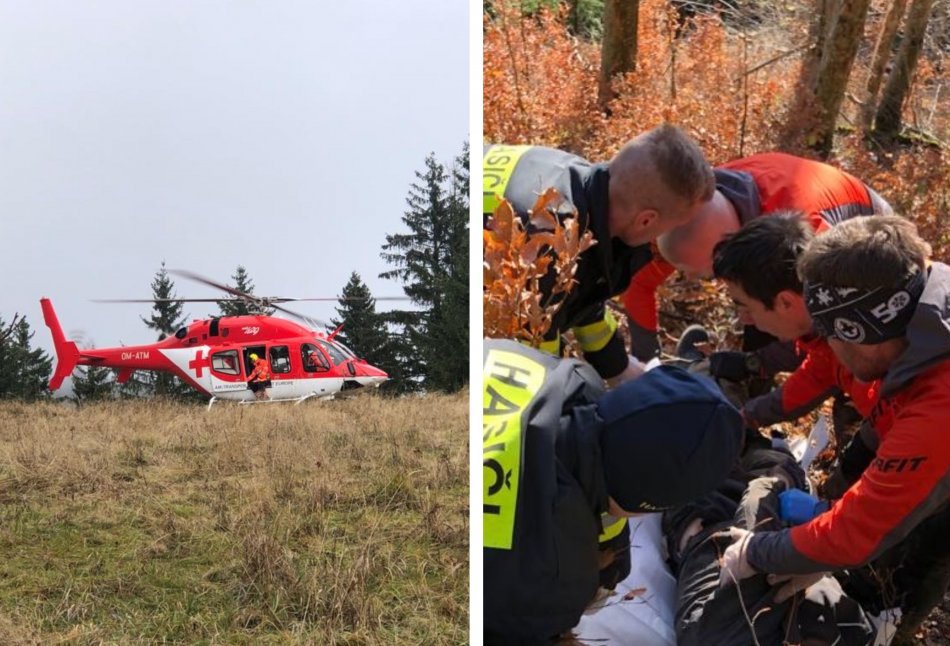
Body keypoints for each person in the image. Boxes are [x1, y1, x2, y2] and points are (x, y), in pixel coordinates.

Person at [718, 216, 950, 644]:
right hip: (906, 425)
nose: (829, 351)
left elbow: (856, 533)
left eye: (832, 337)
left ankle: (893, 625)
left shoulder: (939, 404)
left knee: (924, 550)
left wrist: (755, 551)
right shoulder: (917, 309)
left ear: (858, 332)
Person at [483, 338, 743, 644]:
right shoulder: (550, 583)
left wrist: (605, 545)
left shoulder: (570, 376)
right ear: (648, 504)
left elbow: (596, 472)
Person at [484, 124, 715, 385]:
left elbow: (583, 297)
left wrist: (619, 367)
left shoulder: (581, 183)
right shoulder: (548, 244)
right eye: (671, 228)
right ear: (646, 221)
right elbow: (530, 372)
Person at [621, 152, 893, 365]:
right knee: (757, 307)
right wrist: (646, 360)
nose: (690, 278)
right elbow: (640, 283)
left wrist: (759, 364)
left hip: (870, 230)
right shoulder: (693, 209)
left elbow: (807, 323)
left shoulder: (802, 239)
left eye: (707, 273)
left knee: (797, 323)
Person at [710, 212, 879, 438]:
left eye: (747, 308)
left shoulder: (870, 344)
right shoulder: (833, 315)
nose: (744, 320)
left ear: (785, 302)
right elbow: (817, 375)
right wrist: (748, 415)